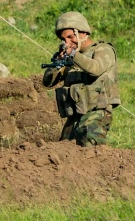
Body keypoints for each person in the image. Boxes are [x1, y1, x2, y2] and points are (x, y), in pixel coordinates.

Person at [42, 11, 120, 146]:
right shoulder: (72, 57)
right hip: (74, 116)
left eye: (71, 37)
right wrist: (58, 63)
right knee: (64, 151)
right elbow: (47, 82)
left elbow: (95, 69)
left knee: (89, 147)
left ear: (83, 33)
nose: (67, 42)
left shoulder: (102, 49)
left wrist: (73, 54)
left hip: (95, 114)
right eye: (63, 39)